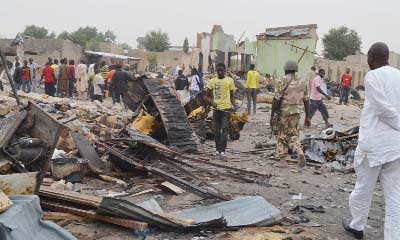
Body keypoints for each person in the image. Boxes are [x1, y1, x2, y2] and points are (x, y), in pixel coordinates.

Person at [341, 43, 400, 240]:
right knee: (394, 199)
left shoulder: (373, 76)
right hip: (395, 147)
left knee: (363, 189)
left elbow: (382, 109)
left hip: (373, 145)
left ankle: (357, 225)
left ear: (372, 57)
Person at [271, 61, 310, 168]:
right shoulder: (302, 82)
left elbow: (276, 100)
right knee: (293, 134)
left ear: (286, 69)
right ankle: (299, 151)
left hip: (284, 112)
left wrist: (272, 115)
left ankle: (283, 161)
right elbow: (306, 100)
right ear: (295, 70)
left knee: (282, 135)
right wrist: (308, 116)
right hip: (297, 112)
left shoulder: (281, 81)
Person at [205, 63, 235, 157]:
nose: (220, 72)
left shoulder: (230, 80)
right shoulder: (212, 81)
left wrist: (234, 106)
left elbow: (232, 95)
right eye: (218, 70)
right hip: (216, 109)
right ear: (216, 71)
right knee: (217, 130)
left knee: (225, 129)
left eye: (222, 70)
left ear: (225, 70)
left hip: (226, 109)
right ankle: (217, 149)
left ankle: (223, 150)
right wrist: (212, 102)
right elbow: (206, 96)